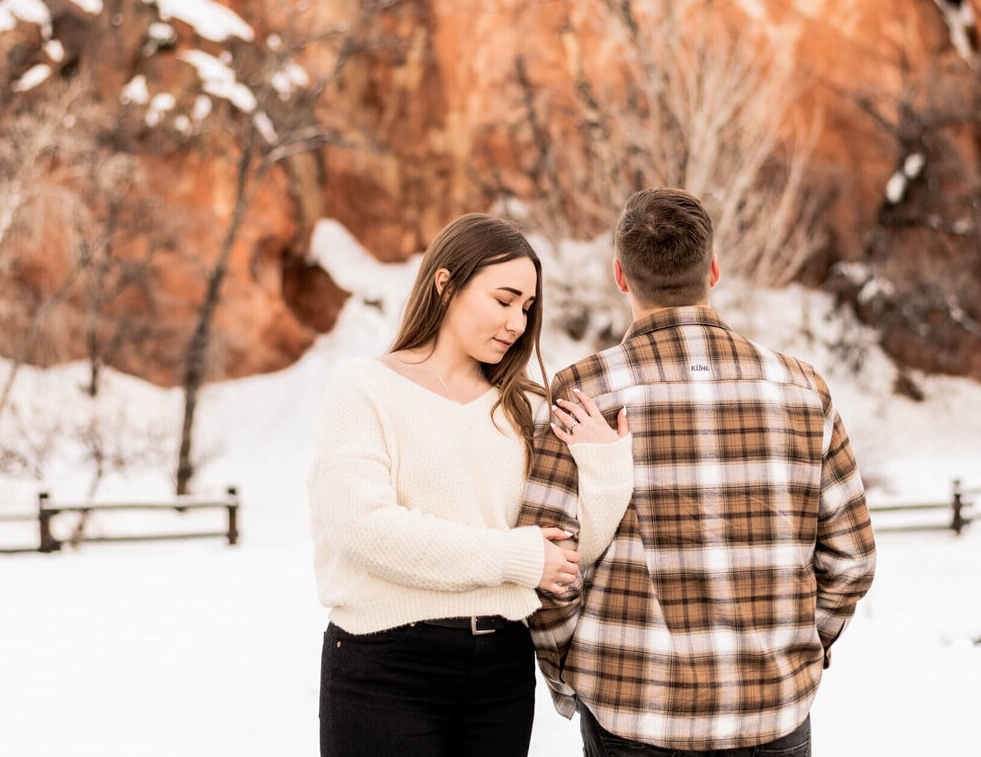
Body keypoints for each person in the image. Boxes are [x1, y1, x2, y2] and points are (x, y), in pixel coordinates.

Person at [518, 188, 877, 756]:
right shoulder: (805, 392)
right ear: (712, 269)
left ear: (620, 276)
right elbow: (852, 561)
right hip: (773, 721)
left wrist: (570, 669)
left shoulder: (583, 394)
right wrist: (796, 657)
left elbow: (547, 563)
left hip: (633, 718)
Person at [307, 213, 635, 757]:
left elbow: (565, 557)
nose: (516, 322)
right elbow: (362, 530)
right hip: (383, 666)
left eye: (527, 308)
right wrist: (516, 558)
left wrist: (606, 469)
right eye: (503, 300)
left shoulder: (524, 407)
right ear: (445, 284)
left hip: (500, 672)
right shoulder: (363, 389)